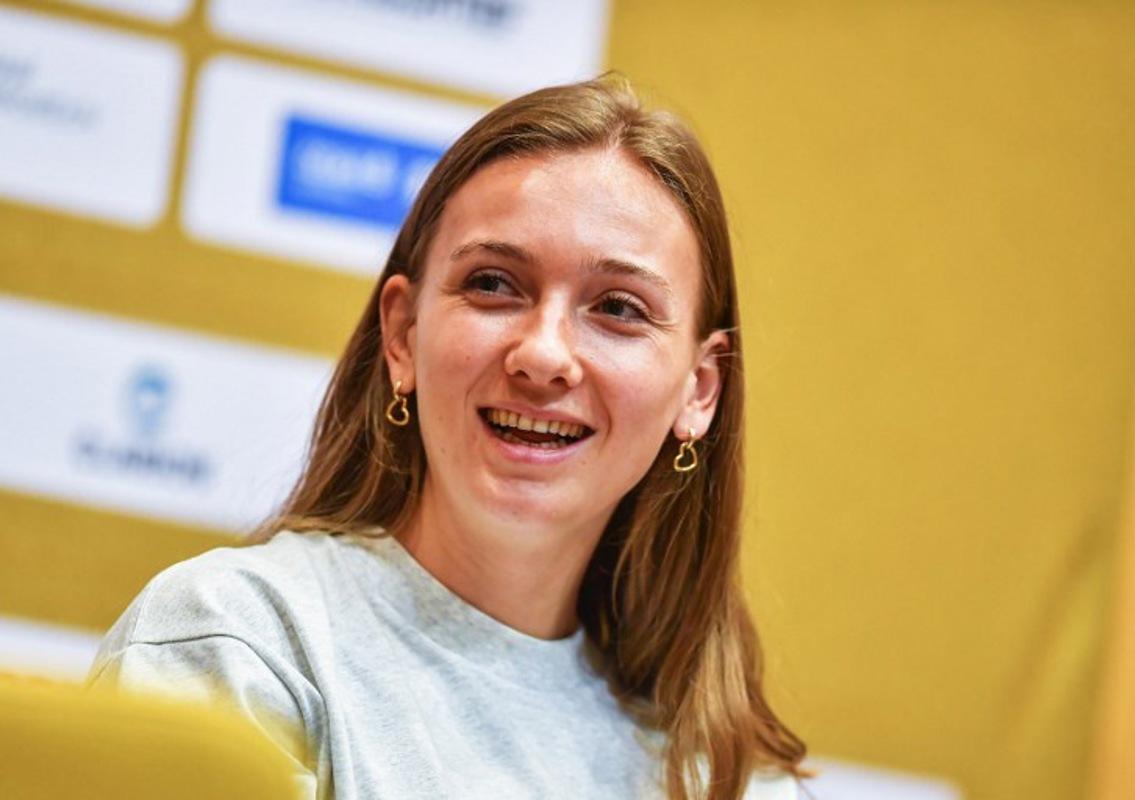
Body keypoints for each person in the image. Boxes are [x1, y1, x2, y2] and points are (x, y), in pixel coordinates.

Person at [87, 76, 810, 800]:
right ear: (403, 334)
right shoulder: (240, 643)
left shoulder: (730, 779)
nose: (543, 355)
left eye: (619, 308)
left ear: (699, 389)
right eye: (494, 284)